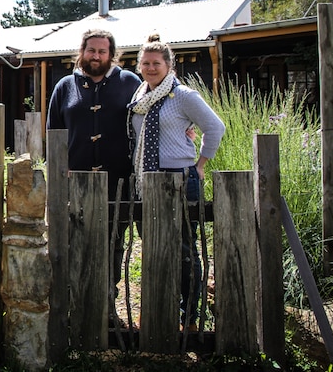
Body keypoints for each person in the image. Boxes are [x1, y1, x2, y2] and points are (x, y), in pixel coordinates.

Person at [128, 34, 225, 331]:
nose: (150, 68)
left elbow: (215, 127)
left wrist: (200, 164)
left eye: (156, 63)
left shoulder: (184, 96)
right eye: (145, 63)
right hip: (147, 181)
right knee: (154, 248)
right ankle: (159, 308)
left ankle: (189, 318)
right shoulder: (139, 97)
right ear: (139, 66)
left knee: (184, 251)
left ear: (169, 66)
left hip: (180, 180)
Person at [47, 28, 142, 307]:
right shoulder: (65, 86)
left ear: (112, 54)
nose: (96, 56)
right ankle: (78, 305)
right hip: (75, 182)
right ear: (82, 52)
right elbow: (54, 131)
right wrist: (59, 168)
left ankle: (107, 304)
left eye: (102, 51)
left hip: (118, 181)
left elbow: (151, 113)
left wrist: (183, 128)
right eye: (91, 50)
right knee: (77, 243)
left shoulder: (129, 82)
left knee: (112, 243)